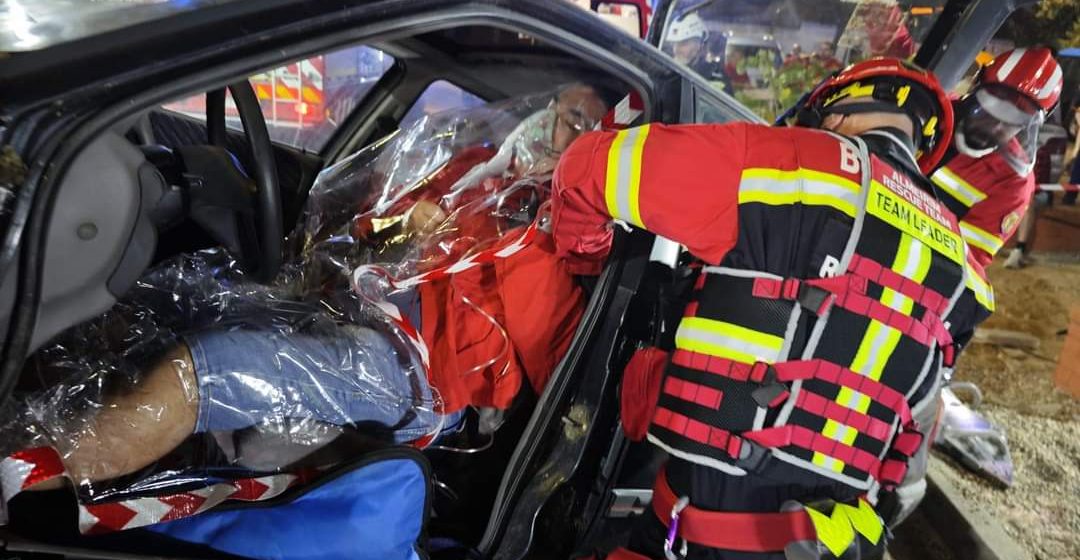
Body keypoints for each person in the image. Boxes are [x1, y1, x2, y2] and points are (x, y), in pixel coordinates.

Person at [18, 83, 611, 491]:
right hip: (354, 292)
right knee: (175, 296)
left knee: (207, 369)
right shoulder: (475, 167)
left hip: (419, 372)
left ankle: (22, 481)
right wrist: (406, 220)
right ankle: (31, 402)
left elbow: (552, 365)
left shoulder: (566, 243)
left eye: (587, 128)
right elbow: (366, 219)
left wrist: (535, 223)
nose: (564, 133)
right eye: (565, 112)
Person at [553, 59, 993, 559]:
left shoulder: (788, 161)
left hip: (697, 534)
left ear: (837, 115)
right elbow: (913, 434)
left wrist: (585, 266)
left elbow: (587, 168)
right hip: (833, 540)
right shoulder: (968, 277)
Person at [926, 47, 1062, 268]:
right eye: (989, 111)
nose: (997, 126)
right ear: (974, 86)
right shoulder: (930, 110)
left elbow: (962, 263)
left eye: (1013, 122)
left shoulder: (1012, 182)